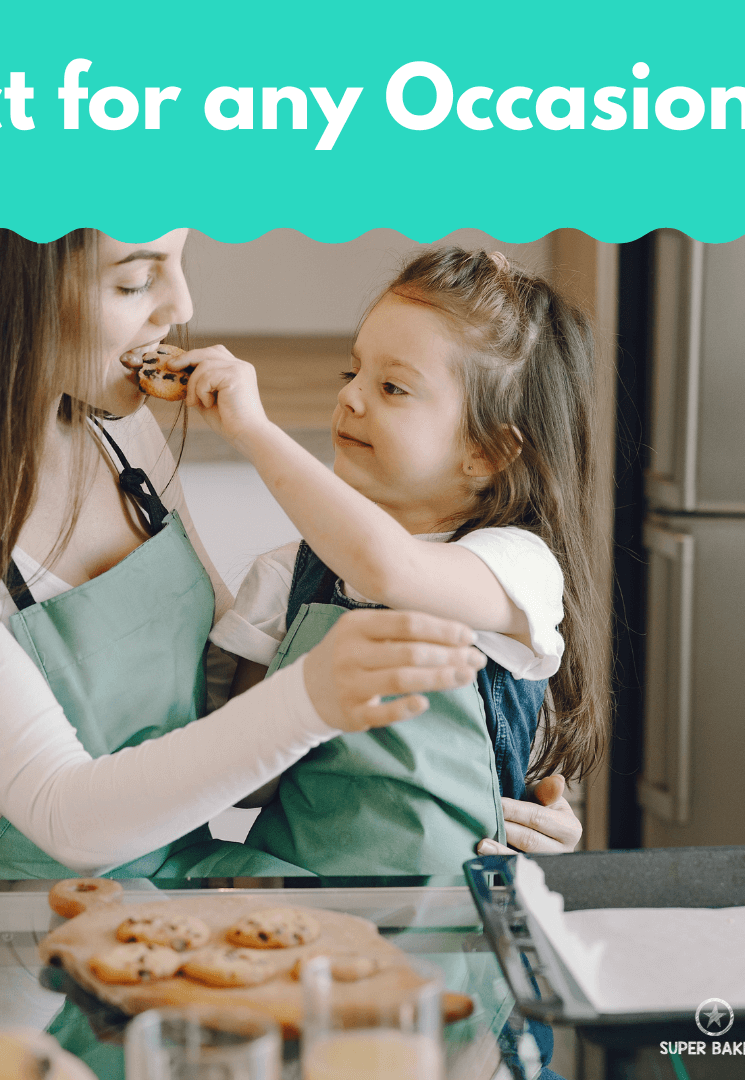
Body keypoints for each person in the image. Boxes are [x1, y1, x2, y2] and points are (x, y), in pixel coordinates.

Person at [0, 227, 494, 885]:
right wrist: (315, 695)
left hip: (183, 906)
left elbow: (222, 721)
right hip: (22, 958)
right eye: (135, 280)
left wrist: (460, 789)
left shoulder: (121, 437)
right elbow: (70, 819)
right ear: (8, 294)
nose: (181, 307)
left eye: (178, 261)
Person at [169, 246, 604, 877]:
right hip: (304, 909)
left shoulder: (514, 566)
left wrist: (254, 431)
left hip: (454, 921)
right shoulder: (285, 578)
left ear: (486, 451)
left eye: (393, 386)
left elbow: (392, 572)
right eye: (352, 374)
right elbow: (248, 788)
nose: (352, 399)